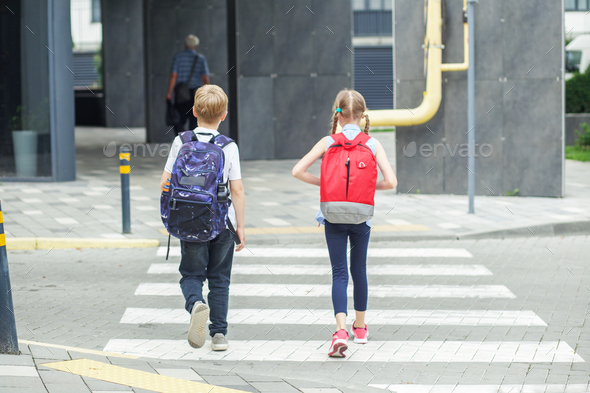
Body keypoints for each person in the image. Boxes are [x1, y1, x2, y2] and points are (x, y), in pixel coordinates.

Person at [292, 89, 397, 357]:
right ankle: (360, 328)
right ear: (363, 117)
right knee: (358, 270)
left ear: (337, 115)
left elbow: (297, 171)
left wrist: (325, 185)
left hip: (332, 216)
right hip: (361, 217)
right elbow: (392, 182)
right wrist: (366, 188)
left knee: (339, 273)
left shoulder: (328, 142)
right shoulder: (372, 144)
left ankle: (340, 331)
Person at [159, 85, 245, 351]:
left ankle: (196, 302)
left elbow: (165, 182)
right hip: (221, 223)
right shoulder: (228, 146)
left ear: (194, 111)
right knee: (220, 278)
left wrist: (171, 215)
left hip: (190, 220)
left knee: (191, 274)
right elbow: (237, 190)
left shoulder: (182, 141)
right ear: (224, 114)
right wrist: (240, 226)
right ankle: (218, 335)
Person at [166, 34, 211, 136]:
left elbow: (173, 75)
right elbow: (205, 78)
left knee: (179, 119)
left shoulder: (178, 57)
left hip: (182, 92)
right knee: (194, 120)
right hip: (196, 93)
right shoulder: (200, 59)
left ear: (185, 45)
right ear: (196, 46)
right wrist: (208, 93)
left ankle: (182, 140)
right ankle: (192, 143)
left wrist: (169, 93)